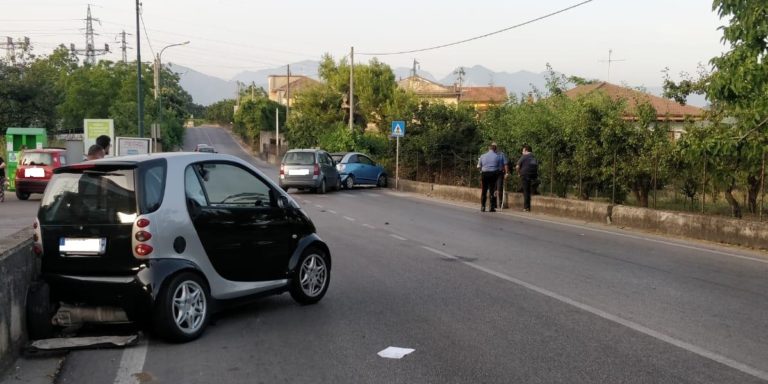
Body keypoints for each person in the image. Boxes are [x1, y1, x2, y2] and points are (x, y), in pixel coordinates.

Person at [477, 142, 504, 212]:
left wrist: (481, 171)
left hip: (484, 174)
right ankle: (491, 207)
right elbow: (500, 168)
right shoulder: (497, 157)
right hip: (493, 174)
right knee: (492, 190)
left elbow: (479, 166)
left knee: (484, 190)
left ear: (489, 149)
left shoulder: (482, 156)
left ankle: (483, 206)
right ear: (495, 149)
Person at [516, 144, 538, 212]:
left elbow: (517, 166)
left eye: (523, 151)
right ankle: (529, 206)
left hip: (525, 175)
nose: (522, 152)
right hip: (533, 176)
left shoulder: (524, 156)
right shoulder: (534, 157)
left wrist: (519, 173)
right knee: (530, 190)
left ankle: (526, 208)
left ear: (526, 150)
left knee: (526, 191)